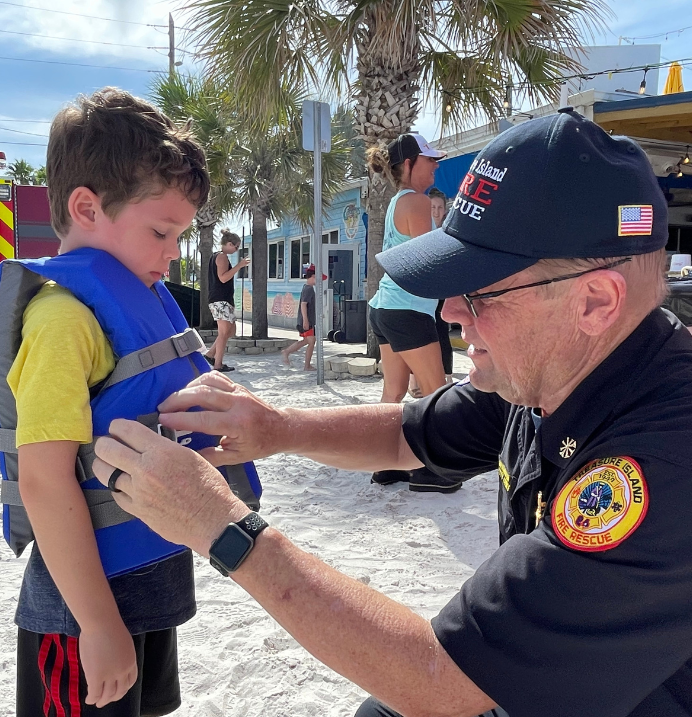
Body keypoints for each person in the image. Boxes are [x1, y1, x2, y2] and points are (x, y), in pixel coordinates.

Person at [93, 108, 690, 717]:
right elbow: (411, 433)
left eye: (481, 292)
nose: (450, 310)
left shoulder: (664, 463)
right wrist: (277, 428)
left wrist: (221, 528)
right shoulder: (564, 371)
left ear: (594, 302)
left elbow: (441, 680)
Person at [3, 87, 210, 717]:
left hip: (143, 591)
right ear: (86, 207)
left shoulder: (135, 302)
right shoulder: (63, 320)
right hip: (83, 616)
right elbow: (43, 481)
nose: (174, 252)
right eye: (161, 231)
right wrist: (96, 626)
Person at [366, 132, 459, 493]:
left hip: (385, 308)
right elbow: (430, 260)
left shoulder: (396, 202)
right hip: (407, 310)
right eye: (430, 160)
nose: (436, 166)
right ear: (408, 164)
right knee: (436, 391)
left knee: (394, 392)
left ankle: (385, 465)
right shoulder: (418, 202)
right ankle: (435, 471)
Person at [208, 229, 248, 374]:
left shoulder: (217, 256)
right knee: (224, 332)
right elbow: (223, 278)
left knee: (230, 330)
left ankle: (210, 354)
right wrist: (240, 265)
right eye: (236, 247)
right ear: (230, 244)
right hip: (220, 299)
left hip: (221, 299)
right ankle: (217, 364)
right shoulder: (222, 257)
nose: (237, 250)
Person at [427, 188, 455, 381]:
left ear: (444, 210)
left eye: (439, 207)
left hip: (442, 289)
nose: (436, 211)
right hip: (424, 291)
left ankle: (447, 374)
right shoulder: (421, 229)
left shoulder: (448, 232)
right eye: (432, 207)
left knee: (442, 331)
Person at [282, 263, 321, 370]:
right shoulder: (309, 289)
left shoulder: (306, 287)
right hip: (306, 320)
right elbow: (304, 304)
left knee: (306, 341)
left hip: (306, 319)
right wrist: (305, 320)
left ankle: (286, 352)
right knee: (311, 341)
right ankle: (307, 365)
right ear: (313, 276)